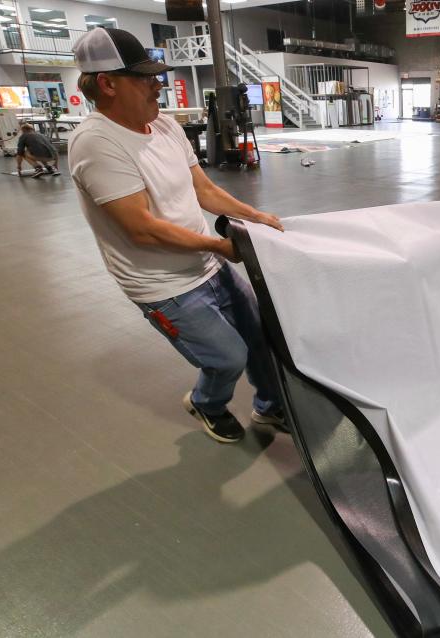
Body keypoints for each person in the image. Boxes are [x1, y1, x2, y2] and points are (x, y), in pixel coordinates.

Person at [68, 27, 286, 444]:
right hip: (163, 285)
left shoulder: (165, 126)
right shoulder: (96, 144)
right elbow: (143, 230)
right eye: (145, 78)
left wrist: (254, 216)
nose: (158, 85)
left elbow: (204, 189)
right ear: (108, 84)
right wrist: (221, 245)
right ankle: (207, 403)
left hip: (207, 265)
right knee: (227, 358)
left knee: (260, 337)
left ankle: (269, 407)